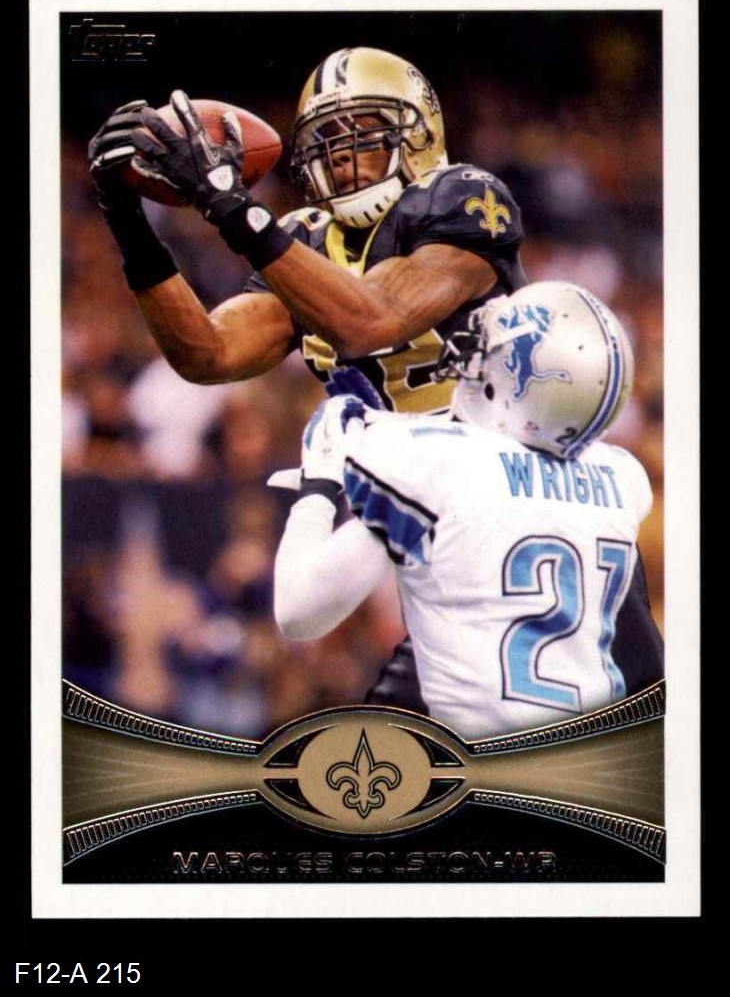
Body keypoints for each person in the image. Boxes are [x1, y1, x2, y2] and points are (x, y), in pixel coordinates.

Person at [87, 46, 528, 708]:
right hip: (403, 503)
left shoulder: (460, 198)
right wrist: (129, 223)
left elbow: (371, 319)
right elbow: (207, 353)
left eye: (364, 134)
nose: (343, 156)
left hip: (503, 487)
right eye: (327, 139)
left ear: (420, 133)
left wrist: (233, 208)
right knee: (336, 644)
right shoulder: (306, 238)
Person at [270, 281, 664, 738]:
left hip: (483, 760)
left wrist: (319, 484)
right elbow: (495, 466)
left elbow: (298, 613)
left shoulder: (425, 465)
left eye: (494, 354)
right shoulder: (622, 476)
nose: (474, 362)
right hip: (589, 756)